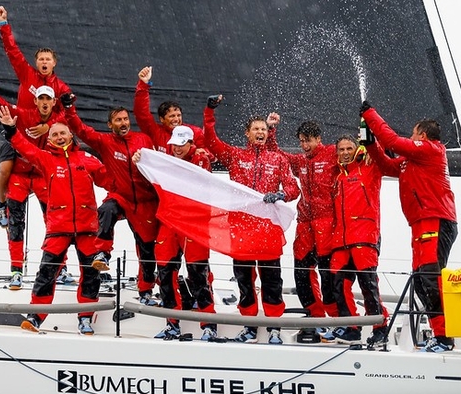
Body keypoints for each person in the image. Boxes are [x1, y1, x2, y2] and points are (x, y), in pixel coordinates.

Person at [0, 105, 108, 336]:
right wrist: (11, 130)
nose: (58, 137)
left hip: (87, 228)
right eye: (54, 134)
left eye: (62, 133)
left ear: (70, 135)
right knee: (46, 273)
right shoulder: (46, 159)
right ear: (50, 139)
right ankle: (36, 316)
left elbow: (111, 180)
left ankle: (85, 318)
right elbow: (25, 148)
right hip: (59, 228)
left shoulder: (87, 159)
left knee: (90, 275)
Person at [361, 100, 458, 353]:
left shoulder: (431, 150)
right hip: (420, 224)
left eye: (413, 134)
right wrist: (370, 142)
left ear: (422, 136)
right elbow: (385, 165)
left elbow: (392, 141)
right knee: (420, 282)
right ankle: (440, 334)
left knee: (429, 280)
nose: (410, 137)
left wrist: (370, 114)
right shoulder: (410, 161)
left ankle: (444, 337)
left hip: (435, 220)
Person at [203, 95, 300, 344]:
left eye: (264, 129)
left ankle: (273, 327)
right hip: (241, 228)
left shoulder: (278, 159)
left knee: (271, 280)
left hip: (268, 228)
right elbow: (211, 142)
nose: (260, 132)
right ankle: (249, 325)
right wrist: (209, 111)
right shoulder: (235, 156)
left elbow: (293, 189)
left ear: (268, 134)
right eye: (256, 129)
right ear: (247, 133)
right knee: (245, 280)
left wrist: (281, 194)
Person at [0, 69, 65, 289]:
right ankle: (15, 270)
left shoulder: (59, 122)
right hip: (19, 175)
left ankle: (61, 268)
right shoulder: (22, 114)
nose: (44, 102)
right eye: (40, 98)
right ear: (35, 100)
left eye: (47, 99)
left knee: (56, 222)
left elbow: (73, 121)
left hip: (42, 176)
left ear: (53, 102)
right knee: (16, 222)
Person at [61, 93, 160, 306]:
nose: (123, 123)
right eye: (118, 120)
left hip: (145, 202)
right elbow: (80, 129)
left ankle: (146, 290)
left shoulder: (143, 139)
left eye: (125, 119)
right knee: (106, 210)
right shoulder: (104, 141)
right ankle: (103, 254)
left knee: (147, 250)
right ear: (110, 124)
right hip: (121, 196)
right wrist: (69, 108)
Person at [135, 126, 218, 341]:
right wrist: (140, 158)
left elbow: (198, 176)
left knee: (198, 274)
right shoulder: (166, 160)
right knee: (165, 273)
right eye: (175, 144)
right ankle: (172, 324)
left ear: (191, 143)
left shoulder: (201, 159)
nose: (178, 148)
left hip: (193, 223)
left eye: (182, 144)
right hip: (170, 222)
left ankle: (209, 324)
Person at [0, 6, 71, 230]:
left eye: (48, 59)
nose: (44, 62)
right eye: (41, 59)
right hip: (18, 134)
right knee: (5, 172)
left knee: (54, 183)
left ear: (54, 63)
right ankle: (1, 204)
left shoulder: (62, 87)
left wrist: (49, 126)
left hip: (45, 141)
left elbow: (69, 113)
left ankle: (59, 244)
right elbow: (12, 51)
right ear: (37, 63)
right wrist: (3, 24)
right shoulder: (27, 75)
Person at [266, 117, 339, 340]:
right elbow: (276, 154)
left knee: (328, 275)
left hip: (328, 222)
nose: (304, 146)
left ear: (319, 139)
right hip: (306, 224)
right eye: (301, 142)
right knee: (301, 272)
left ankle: (336, 320)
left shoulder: (333, 154)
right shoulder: (301, 161)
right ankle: (315, 316)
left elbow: (356, 154)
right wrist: (271, 129)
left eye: (308, 141)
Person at [329, 134, 391, 349]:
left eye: (349, 148)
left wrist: (369, 137)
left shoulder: (369, 168)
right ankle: (352, 328)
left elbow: (382, 153)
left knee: (368, 285)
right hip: (341, 240)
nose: (345, 152)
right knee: (338, 283)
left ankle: (380, 327)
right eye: (341, 149)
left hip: (364, 238)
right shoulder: (337, 177)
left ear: (356, 149)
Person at [133, 66, 208, 154]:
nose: (176, 119)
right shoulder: (156, 132)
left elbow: (209, 153)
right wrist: (143, 84)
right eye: (172, 116)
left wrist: (199, 152)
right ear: (162, 119)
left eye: (178, 115)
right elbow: (141, 114)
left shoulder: (195, 132)